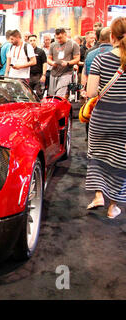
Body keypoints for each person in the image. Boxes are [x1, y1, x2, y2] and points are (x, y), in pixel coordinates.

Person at [85, 17, 126, 219]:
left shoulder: (101, 59)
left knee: (97, 157)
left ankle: (98, 195)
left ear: (112, 37)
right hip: (124, 120)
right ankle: (113, 207)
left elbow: (91, 91)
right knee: (120, 162)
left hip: (101, 119)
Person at [47, 28, 80, 97]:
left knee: (59, 95)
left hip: (66, 73)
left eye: (60, 38)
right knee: (52, 95)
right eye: (57, 38)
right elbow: (48, 58)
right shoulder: (53, 45)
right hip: (54, 73)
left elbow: (77, 59)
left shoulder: (73, 44)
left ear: (65, 34)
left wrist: (68, 63)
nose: (59, 40)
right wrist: (52, 63)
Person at [28, 34, 47, 98]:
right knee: (28, 93)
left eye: (34, 40)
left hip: (38, 75)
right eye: (30, 40)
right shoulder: (26, 51)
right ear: (28, 41)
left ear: (36, 41)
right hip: (28, 75)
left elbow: (44, 63)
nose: (32, 42)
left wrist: (43, 75)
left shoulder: (41, 51)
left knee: (38, 93)